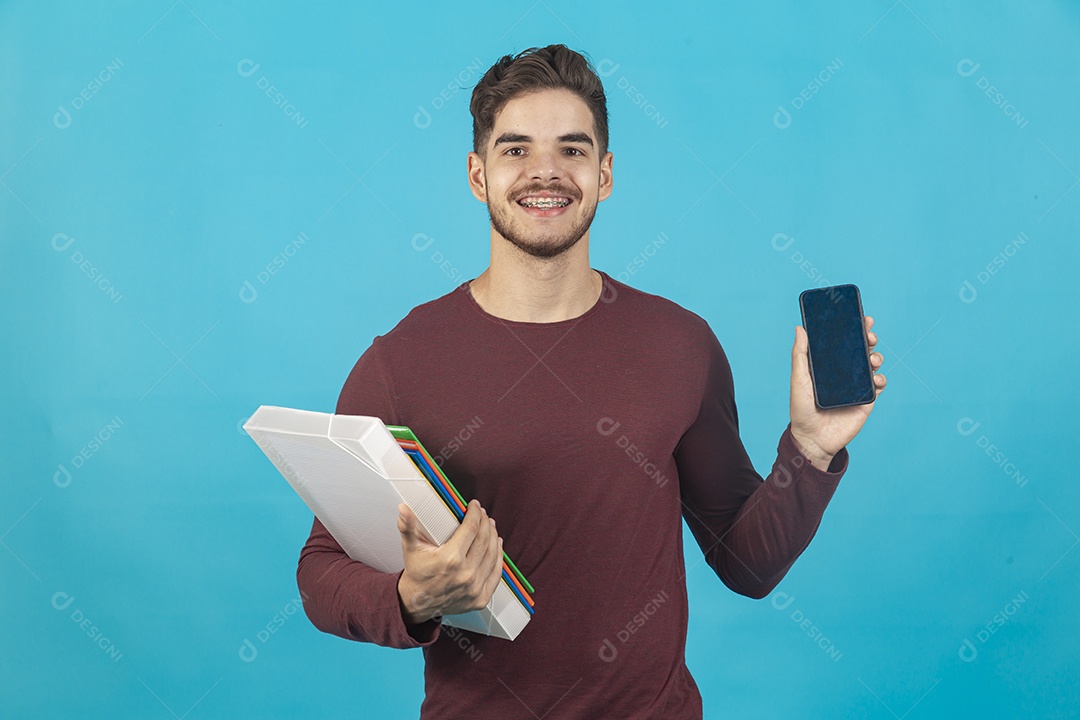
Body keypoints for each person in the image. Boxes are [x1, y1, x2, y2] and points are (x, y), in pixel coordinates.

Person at [297, 44, 886, 719]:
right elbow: (321, 573)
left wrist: (810, 450)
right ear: (476, 174)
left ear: (604, 174)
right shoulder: (399, 363)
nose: (545, 171)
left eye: (572, 150)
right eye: (515, 150)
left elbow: (746, 563)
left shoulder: (680, 345)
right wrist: (409, 597)